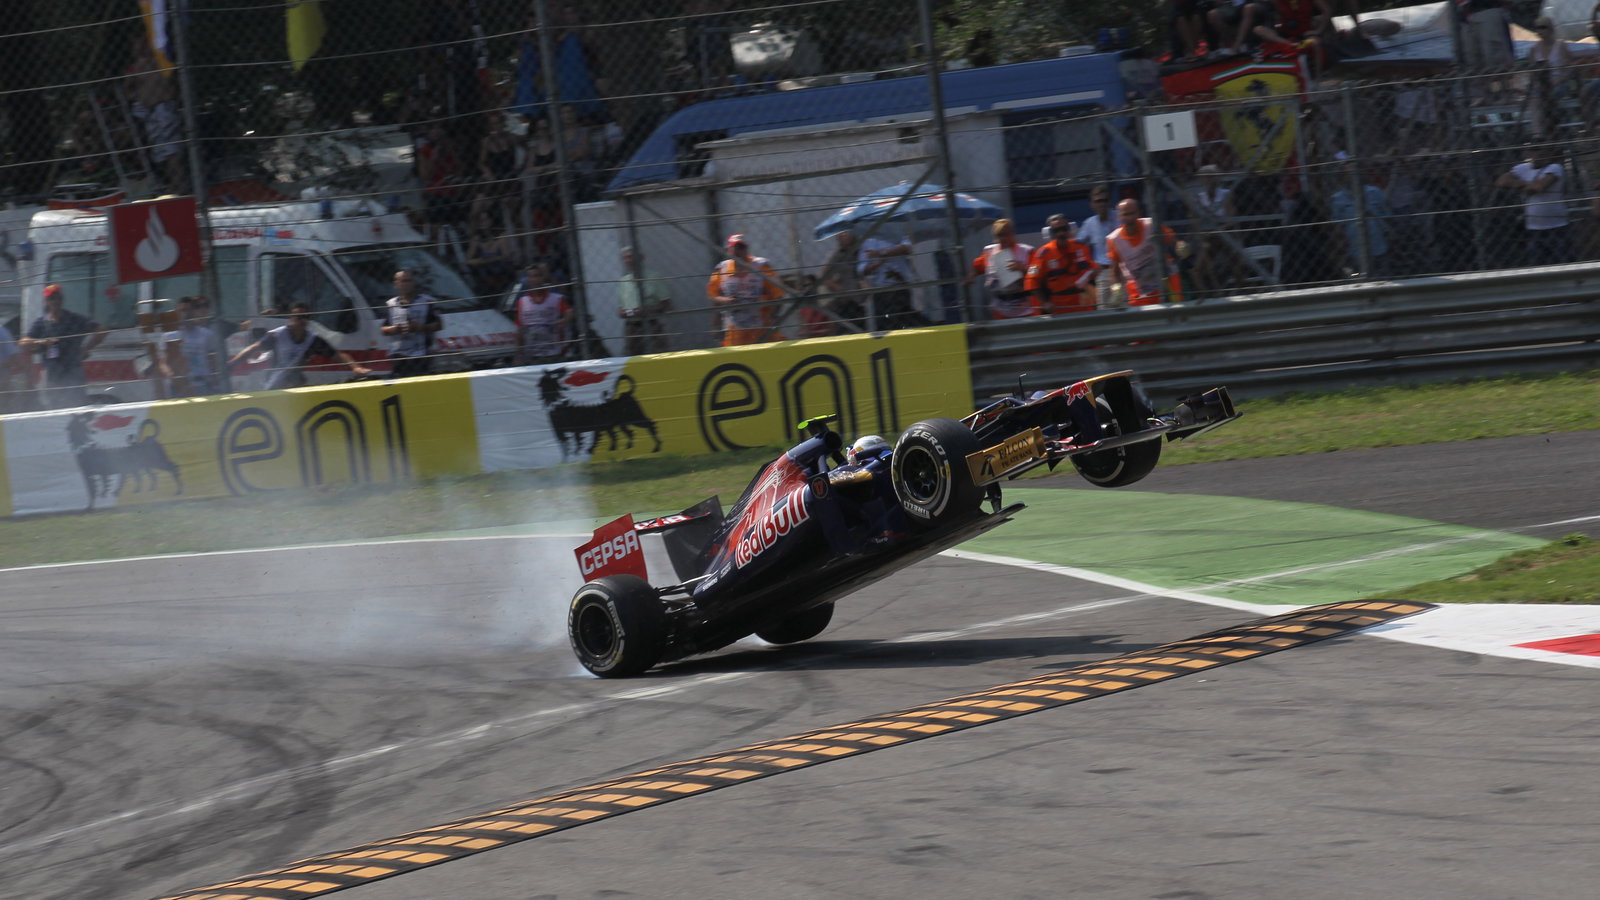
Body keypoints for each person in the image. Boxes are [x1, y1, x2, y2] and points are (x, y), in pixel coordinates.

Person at [228, 302, 370, 390]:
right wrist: (233, 363)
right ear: (290, 318)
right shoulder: (277, 336)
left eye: (305, 317)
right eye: (298, 317)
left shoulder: (312, 340)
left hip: (296, 384)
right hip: (274, 385)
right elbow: (253, 348)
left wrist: (355, 367)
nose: (301, 321)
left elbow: (338, 355)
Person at [20, 283, 107, 409]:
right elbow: (23, 342)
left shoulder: (74, 319)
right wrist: (41, 342)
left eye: (57, 298)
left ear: (62, 299)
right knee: (53, 409)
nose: (55, 301)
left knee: (78, 406)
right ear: (46, 301)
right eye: (51, 298)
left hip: (73, 373)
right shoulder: (42, 323)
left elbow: (102, 330)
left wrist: (86, 349)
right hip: (52, 375)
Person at [1495, 147, 1572, 267]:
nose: (1539, 153)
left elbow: (1539, 187)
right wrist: (1526, 184)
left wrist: (1519, 185)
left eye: (1541, 150)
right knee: (1537, 265)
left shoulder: (1555, 167)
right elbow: (1502, 181)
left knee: (1563, 263)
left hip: (1557, 226)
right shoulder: (1523, 168)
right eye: (1534, 150)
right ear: (1528, 153)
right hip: (1534, 228)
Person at [708, 234, 783, 346]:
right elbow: (714, 296)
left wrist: (773, 317)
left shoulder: (761, 265)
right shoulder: (722, 269)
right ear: (728, 250)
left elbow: (778, 294)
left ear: (746, 249)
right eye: (735, 248)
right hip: (735, 331)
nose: (738, 251)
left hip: (762, 328)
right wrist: (724, 301)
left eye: (741, 247)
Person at [1106, 198, 1184, 305]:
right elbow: (1114, 271)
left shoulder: (1151, 225)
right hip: (1140, 289)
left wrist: (1181, 246)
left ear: (1139, 212)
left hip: (1166, 279)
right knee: (1144, 319)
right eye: (1125, 214)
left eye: (1132, 213)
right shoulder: (1114, 239)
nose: (1130, 218)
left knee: (1176, 312)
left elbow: (1172, 240)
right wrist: (1116, 290)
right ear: (1119, 216)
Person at [1025, 215, 1098, 315]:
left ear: (1069, 230)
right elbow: (1031, 281)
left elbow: (1094, 269)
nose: (1061, 233)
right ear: (1051, 233)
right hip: (1059, 307)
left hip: (1083, 303)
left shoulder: (1081, 247)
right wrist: (1045, 302)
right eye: (1057, 230)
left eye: (1064, 229)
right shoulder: (1042, 254)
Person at [858, 231, 927, 330]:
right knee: (883, 323)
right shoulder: (868, 242)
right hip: (880, 289)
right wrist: (877, 264)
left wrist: (882, 253)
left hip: (899, 286)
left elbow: (907, 247)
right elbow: (861, 269)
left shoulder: (897, 234)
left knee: (903, 316)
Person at [969, 218, 1036, 319]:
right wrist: (971, 276)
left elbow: (1038, 272)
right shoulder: (989, 252)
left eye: (1006, 234)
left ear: (1012, 234)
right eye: (999, 235)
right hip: (1001, 308)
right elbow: (977, 266)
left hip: (1026, 308)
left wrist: (1023, 268)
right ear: (995, 237)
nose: (1003, 238)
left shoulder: (1026, 251)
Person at [383, 269, 444, 379]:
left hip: (422, 354)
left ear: (414, 283)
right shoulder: (391, 304)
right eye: (402, 281)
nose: (406, 284)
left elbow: (438, 325)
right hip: (399, 355)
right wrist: (396, 329)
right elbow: (383, 329)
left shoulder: (427, 302)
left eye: (408, 281)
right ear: (396, 284)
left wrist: (419, 327)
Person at [514, 262, 574, 365]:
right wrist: (519, 353)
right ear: (527, 280)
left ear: (543, 278)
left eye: (537, 276)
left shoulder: (556, 298)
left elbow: (570, 312)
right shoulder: (522, 302)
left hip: (554, 352)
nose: (535, 280)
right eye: (531, 277)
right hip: (532, 354)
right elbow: (520, 328)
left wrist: (564, 320)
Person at [616, 247, 672, 355]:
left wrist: (648, 309)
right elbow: (620, 310)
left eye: (631, 257)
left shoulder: (653, 277)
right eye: (626, 258)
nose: (628, 261)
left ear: (641, 258)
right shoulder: (623, 282)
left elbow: (668, 304)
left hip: (651, 324)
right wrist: (632, 312)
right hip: (632, 327)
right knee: (633, 356)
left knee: (659, 354)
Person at [1077, 186, 1119, 308]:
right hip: (1103, 271)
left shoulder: (1119, 217)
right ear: (1092, 204)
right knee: (1104, 309)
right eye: (1098, 201)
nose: (1102, 204)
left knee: (1127, 307)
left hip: (1122, 269)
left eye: (1104, 200)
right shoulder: (1089, 223)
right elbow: (1078, 246)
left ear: (1109, 202)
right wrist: (1089, 267)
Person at [177, 296, 227, 397]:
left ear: (194, 312)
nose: (186, 314)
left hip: (203, 383)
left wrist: (215, 385)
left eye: (188, 310)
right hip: (182, 384)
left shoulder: (207, 334)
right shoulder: (172, 336)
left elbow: (212, 361)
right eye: (182, 310)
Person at [818, 230, 866, 328]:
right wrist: (839, 289)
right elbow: (823, 276)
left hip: (862, 300)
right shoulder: (837, 255)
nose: (844, 235)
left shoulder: (861, 252)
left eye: (847, 233)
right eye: (841, 233)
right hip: (846, 301)